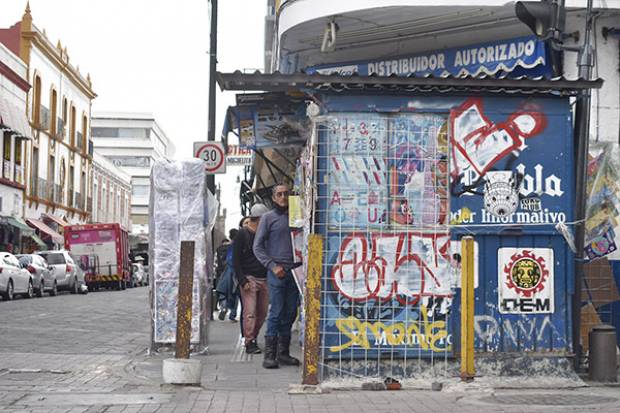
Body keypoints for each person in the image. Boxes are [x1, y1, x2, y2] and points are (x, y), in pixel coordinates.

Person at [253, 183, 300, 369]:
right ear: (273, 198)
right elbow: (257, 247)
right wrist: (272, 266)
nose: (283, 197)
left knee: (290, 313)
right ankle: (270, 354)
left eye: (286, 194)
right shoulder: (267, 218)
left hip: (296, 272)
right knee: (276, 312)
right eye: (279, 194)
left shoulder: (298, 217)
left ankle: (284, 353)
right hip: (277, 272)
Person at [233, 204, 270, 354]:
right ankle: (249, 341)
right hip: (249, 277)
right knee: (250, 312)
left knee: (262, 312)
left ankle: (253, 336)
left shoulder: (267, 233)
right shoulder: (243, 234)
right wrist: (242, 280)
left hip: (265, 277)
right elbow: (236, 259)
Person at [216, 228, 240, 321]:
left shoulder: (220, 249)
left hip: (223, 273)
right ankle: (232, 315)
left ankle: (224, 307)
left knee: (223, 292)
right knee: (235, 292)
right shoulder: (236, 246)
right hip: (235, 272)